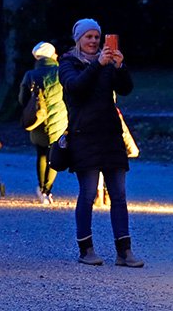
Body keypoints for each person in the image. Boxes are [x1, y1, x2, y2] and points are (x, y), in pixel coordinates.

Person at [58, 18, 142, 267]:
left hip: (110, 136)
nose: (94, 41)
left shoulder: (106, 64)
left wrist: (119, 66)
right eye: (89, 37)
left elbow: (126, 88)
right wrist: (97, 64)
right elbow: (75, 87)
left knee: (119, 194)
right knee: (88, 194)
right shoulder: (68, 63)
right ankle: (86, 249)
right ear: (79, 39)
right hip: (83, 136)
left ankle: (124, 251)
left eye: (97, 37)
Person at [18, 41, 66, 205]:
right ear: (51, 55)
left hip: (38, 121)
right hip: (59, 121)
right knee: (54, 155)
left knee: (41, 154)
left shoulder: (31, 74)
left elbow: (22, 99)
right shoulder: (61, 72)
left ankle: (41, 188)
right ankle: (48, 190)